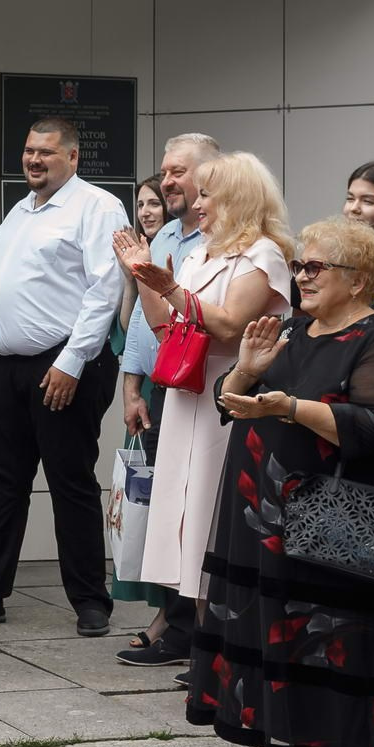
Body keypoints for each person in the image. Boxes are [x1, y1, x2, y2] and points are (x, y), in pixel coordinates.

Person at [191, 217, 374, 747]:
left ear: (357, 277)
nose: (301, 277)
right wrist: (244, 372)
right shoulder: (290, 331)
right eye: (300, 267)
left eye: (315, 268)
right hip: (268, 524)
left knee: (338, 651)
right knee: (296, 654)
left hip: (340, 524)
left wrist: (289, 406)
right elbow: (231, 402)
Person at [0, 120, 128, 636]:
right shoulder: (20, 210)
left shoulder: (97, 207)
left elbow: (105, 290)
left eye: (47, 152)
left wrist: (72, 362)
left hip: (64, 365)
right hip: (8, 369)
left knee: (70, 482)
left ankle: (90, 601)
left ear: (74, 157)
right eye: (29, 151)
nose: (34, 160)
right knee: (3, 484)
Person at [117, 151, 294, 676]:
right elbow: (165, 330)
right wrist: (145, 277)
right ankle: (203, 644)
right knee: (185, 519)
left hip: (229, 402)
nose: (199, 204)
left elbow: (228, 325)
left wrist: (169, 287)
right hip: (186, 398)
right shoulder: (203, 256)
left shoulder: (264, 256)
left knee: (215, 520)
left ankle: (223, 649)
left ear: (238, 197)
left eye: (209, 194)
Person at [115, 134, 217, 662]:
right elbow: (141, 323)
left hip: (206, 388)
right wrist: (132, 388)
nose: (167, 182)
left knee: (195, 518)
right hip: (163, 383)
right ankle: (176, 625)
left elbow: (203, 319)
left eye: (177, 172)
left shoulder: (222, 241)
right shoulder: (171, 235)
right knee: (165, 510)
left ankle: (192, 633)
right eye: (164, 172)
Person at [105, 175, 168, 616]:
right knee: (146, 497)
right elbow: (128, 330)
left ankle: (172, 615)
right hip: (144, 381)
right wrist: (131, 278)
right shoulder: (140, 258)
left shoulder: (175, 254)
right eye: (140, 204)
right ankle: (163, 611)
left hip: (173, 381)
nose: (145, 211)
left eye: (154, 203)